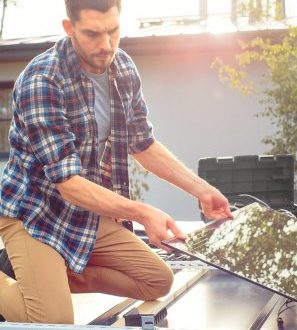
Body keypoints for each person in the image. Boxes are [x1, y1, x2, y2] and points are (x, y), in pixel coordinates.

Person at [0, 0, 232, 324]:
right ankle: (33, 282)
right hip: (34, 213)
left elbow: (143, 144)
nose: (106, 45)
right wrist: (143, 211)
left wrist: (202, 190)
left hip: (84, 215)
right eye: (93, 34)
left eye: (113, 31)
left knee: (157, 281)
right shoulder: (41, 80)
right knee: (53, 323)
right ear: (69, 29)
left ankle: (45, 278)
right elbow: (68, 184)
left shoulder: (122, 68)